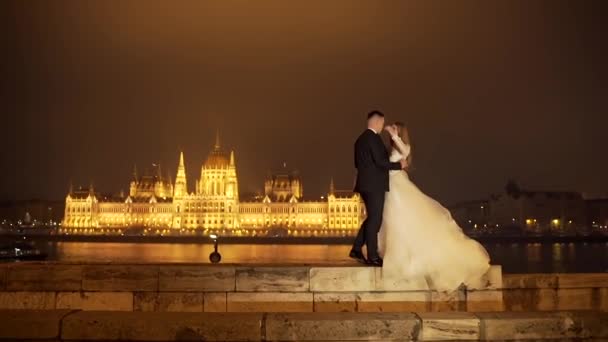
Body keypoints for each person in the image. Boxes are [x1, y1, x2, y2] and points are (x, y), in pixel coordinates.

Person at [378, 122, 491, 291]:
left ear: (400, 132)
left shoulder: (404, 147)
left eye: (395, 129)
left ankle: (406, 261)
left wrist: (395, 135)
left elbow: (405, 152)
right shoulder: (390, 150)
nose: (391, 132)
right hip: (389, 186)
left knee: (399, 220)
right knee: (392, 222)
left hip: (397, 187)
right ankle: (397, 256)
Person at [351, 110, 407, 266]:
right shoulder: (374, 139)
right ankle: (373, 256)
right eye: (382, 123)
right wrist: (399, 165)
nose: (382, 126)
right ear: (377, 122)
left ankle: (356, 249)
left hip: (364, 184)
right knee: (375, 220)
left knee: (371, 218)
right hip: (374, 185)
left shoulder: (359, 140)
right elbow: (381, 163)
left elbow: (358, 164)